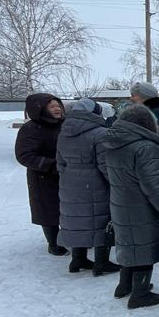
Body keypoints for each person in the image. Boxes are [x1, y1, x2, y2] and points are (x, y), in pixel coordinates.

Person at [103, 104, 159, 309]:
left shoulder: (115, 143)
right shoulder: (145, 148)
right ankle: (141, 294)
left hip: (122, 204)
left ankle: (124, 285)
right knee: (145, 248)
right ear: (145, 124)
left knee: (130, 245)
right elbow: (156, 187)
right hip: (143, 207)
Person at [56, 98, 121, 276]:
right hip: (95, 182)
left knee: (77, 219)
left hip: (70, 182)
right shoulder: (100, 133)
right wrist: (115, 182)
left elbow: (59, 163)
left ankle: (78, 259)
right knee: (101, 220)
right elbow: (105, 165)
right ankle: (102, 262)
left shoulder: (64, 132)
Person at [15, 93, 67, 256]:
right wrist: (50, 165)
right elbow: (24, 155)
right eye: (51, 106)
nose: (57, 108)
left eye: (58, 105)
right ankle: (53, 243)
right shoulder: (30, 129)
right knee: (48, 211)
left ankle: (71, 238)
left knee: (69, 208)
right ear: (40, 109)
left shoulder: (65, 125)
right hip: (43, 177)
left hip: (66, 175)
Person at [129, 81, 159, 156]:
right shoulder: (149, 113)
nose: (131, 98)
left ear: (144, 96)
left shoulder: (157, 114)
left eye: (133, 95)